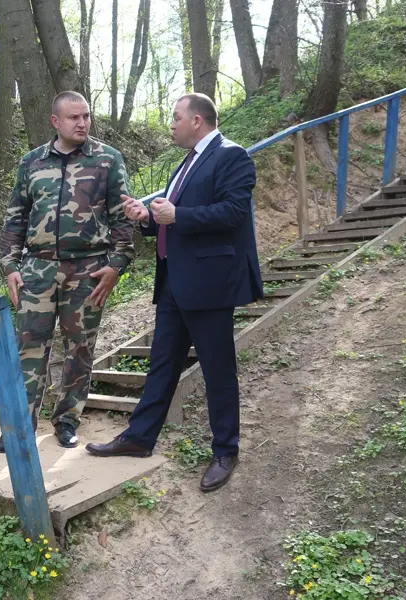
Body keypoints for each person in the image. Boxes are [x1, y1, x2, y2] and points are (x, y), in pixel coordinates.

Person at [86, 93, 263, 494]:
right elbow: (172, 219)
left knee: (218, 370)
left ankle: (225, 451)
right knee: (162, 365)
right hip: (173, 282)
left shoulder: (232, 156)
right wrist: (146, 218)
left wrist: (177, 214)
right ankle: (139, 437)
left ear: (197, 120)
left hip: (209, 284)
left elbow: (234, 212)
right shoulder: (186, 163)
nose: (171, 124)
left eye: (176, 118)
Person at [0, 90, 135, 453]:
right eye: (74, 117)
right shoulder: (32, 162)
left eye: (86, 116)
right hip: (37, 269)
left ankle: (67, 421)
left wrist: (116, 265)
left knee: (80, 348)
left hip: (89, 270)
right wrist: (10, 266)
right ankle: (19, 428)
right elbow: (15, 218)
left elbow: (123, 218)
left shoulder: (107, 159)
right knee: (28, 348)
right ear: (55, 121)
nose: (83, 123)